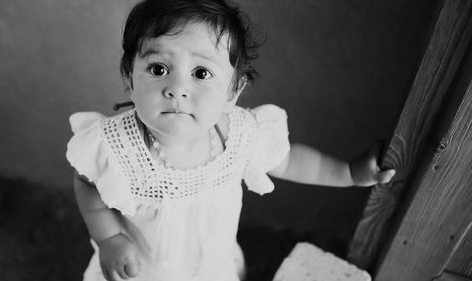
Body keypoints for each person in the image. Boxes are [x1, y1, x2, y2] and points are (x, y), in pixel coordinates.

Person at [66, 0, 396, 280]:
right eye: (157, 69)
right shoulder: (113, 144)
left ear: (232, 93)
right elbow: (86, 180)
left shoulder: (239, 134)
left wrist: (350, 172)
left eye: (200, 73)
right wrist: (109, 237)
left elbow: (289, 160)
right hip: (142, 266)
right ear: (129, 78)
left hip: (210, 265)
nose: (177, 88)